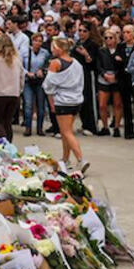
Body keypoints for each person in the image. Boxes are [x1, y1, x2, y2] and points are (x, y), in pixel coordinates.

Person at [44, 37, 86, 170]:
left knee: (67, 132)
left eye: (53, 47)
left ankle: (81, 159)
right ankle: (65, 158)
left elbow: (49, 84)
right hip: (76, 100)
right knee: (65, 131)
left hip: (63, 101)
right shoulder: (77, 63)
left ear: (59, 49)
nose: (52, 50)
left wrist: (51, 100)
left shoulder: (55, 63)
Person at [21, 32, 49, 137]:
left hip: (40, 81)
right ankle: (28, 127)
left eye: (40, 41)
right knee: (28, 104)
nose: (37, 43)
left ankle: (40, 128)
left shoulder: (45, 53)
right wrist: (27, 73)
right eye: (35, 40)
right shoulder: (24, 52)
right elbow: (20, 65)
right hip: (28, 80)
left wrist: (42, 70)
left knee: (40, 105)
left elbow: (48, 64)